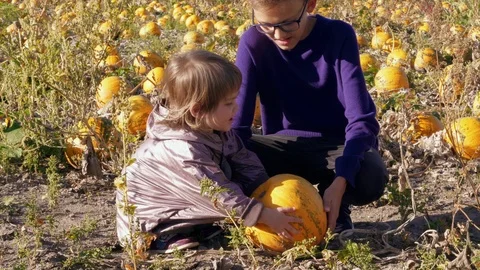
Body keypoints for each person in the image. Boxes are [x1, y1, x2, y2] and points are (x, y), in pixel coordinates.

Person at [116, 50, 301, 254]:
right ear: (197, 110)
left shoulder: (213, 127)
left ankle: (197, 226)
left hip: (186, 200)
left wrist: (266, 191)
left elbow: (243, 159)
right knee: (215, 193)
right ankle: (164, 236)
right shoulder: (182, 151)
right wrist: (263, 215)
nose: (236, 108)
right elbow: (218, 193)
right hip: (149, 219)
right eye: (228, 103)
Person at [232, 0, 389, 233]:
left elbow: (362, 119)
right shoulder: (253, 41)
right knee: (225, 154)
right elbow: (238, 126)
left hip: (334, 148)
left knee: (370, 173)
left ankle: (335, 205)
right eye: (266, 25)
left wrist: (341, 180)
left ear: (311, 5)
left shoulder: (338, 35)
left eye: (287, 24)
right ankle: (278, 208)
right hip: (281, 148)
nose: (278, 35)